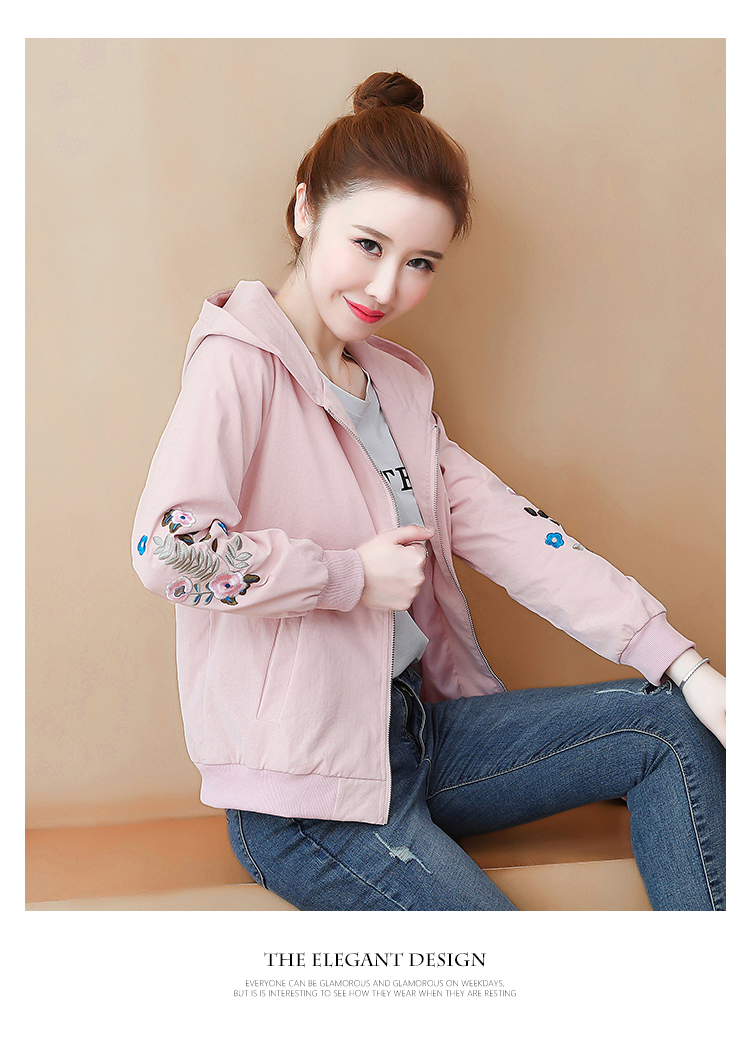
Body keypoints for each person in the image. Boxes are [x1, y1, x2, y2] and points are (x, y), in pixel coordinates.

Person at [132, 71, 725, 911]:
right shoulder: (238, 365)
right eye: (368, 245)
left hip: (415, 739)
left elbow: (519, 537)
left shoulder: (396, 394)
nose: (387, 288)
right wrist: (348, 575)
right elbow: (167, 550)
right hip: (304, 800)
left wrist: (685, 664)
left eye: (419, 264)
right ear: (305, 210)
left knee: (672, 722)